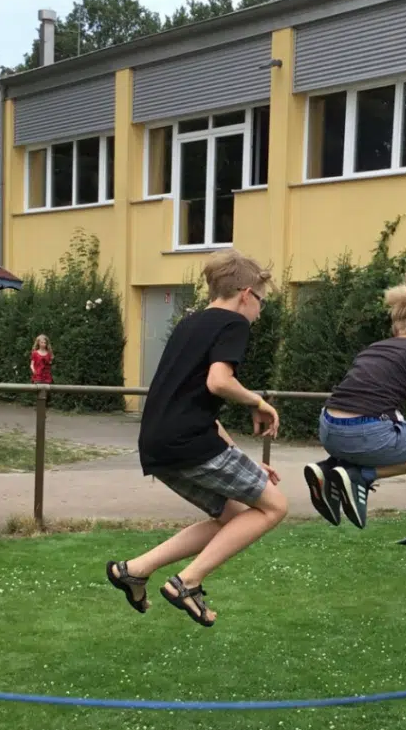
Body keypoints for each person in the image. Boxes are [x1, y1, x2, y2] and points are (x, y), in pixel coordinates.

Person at [105, 249, 287, 627]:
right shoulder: (233, 325)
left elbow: (194, 404)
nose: (259, 312)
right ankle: (187, 583)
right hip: (189, 441)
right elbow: (218, 382)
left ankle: (134, 570)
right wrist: (259, 402)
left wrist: (246, 461)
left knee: (234, 517)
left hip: (157, 444)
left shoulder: (189, 326)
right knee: (275, 507)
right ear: (246, 293)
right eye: (262, 303)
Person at [303, 272, 406, 530]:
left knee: (394, 421)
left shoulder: (375, 348)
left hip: (327, 428)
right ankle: (360, 476)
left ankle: (329, 468)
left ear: (397, 326)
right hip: (366, 433)